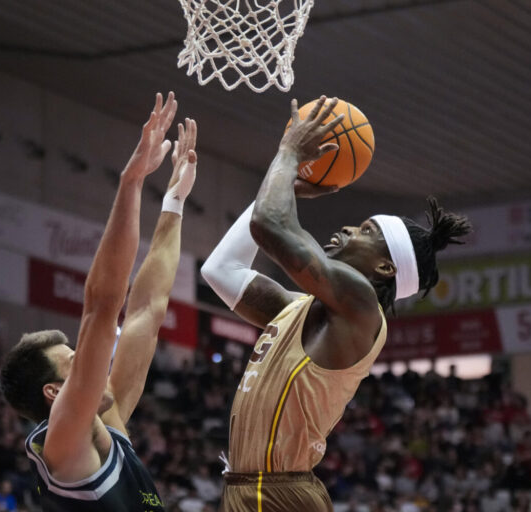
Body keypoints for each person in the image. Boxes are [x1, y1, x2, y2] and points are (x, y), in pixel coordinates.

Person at [201, 96, 471, 511]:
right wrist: (285, 184)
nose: (347, 229)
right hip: (258, 488)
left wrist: (289, 155)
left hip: (275, 493)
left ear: (383, 268)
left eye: (364, 231)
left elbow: (270, 225)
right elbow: (221, 269)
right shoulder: (303, 310)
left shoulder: (361, 307)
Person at [0, 92, 198, 512]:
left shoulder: (106, 424)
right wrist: (131, 183)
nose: (91, 363)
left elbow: (147, 308)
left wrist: (174, 202)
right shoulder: (66, 443)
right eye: (75, 361)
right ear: (54, 392)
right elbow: (100, 306)